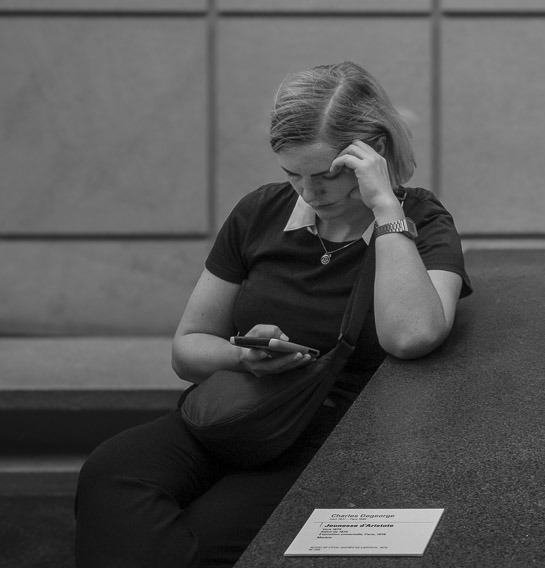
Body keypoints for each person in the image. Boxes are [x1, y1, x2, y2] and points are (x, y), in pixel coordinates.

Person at [74, 61, 471, 567]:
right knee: (111, 471)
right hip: (242, 409)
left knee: (202, 536)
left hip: (333, 435)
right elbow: (188, 347)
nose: (309, 193)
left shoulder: (422, 221)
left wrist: (384, 208)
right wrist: (244, 357)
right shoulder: (259, 211)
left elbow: (411, 335)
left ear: (374, 151)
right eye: (293, 175)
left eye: (328, 175)